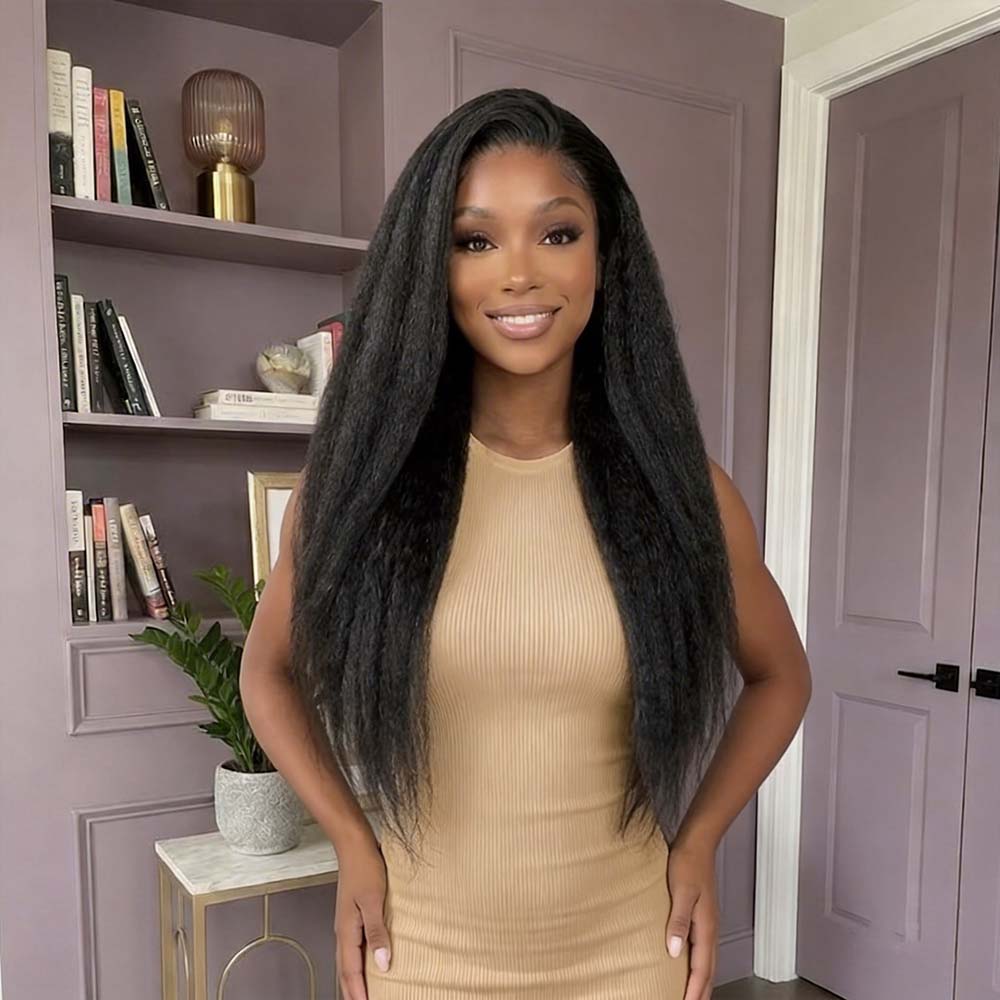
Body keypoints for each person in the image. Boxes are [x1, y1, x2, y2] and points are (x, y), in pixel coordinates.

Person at [240, 87, 812, 1000]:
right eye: (474, 241)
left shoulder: (684, 491)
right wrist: (351, 840)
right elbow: (267, 673)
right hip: (421, 957)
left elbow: (782, 676)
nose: (518, 274)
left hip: (629, 956)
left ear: (604, 256)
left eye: (557, 233)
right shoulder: (357, 489)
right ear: (431, 269)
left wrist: (700, 838)